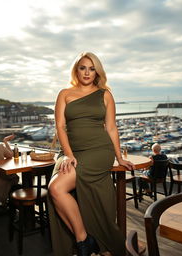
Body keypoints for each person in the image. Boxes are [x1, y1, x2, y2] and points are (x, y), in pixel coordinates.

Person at [48, 52, 135, 256]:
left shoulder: (105, 94)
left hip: (98, 151)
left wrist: (119, 157)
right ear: (76, 70)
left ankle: (84, 242)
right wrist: (68, 155)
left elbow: (112, 128)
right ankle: (84, 239)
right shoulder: (64, 94)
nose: (87, 72)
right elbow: (60, 126)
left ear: (97, 71)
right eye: (83, 67)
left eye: (92, 68)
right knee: (54, 189)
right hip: (70, 151)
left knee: (57, 187)